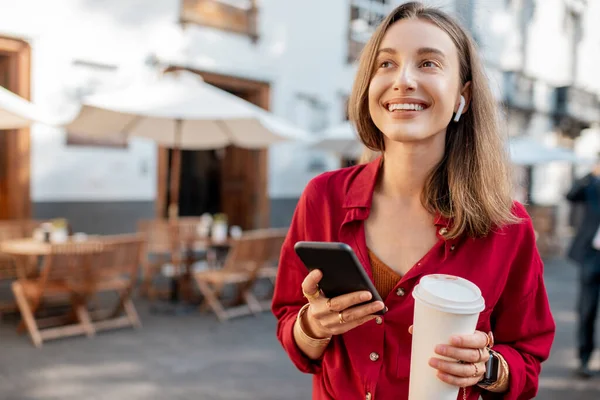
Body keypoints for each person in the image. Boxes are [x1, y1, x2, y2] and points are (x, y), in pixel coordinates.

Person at [272, 2, 555, 399]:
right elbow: (290, 327)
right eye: (386, 64)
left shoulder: (508, 226)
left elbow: (527, 357)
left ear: (463, 96)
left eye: (428, 64)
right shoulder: (323, 198)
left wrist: (487, 367)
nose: (403, 80)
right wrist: (312, 326)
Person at [566, 159, 600, 378]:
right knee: (587, 311)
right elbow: (571, 194)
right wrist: (590, 173)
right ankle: (584, 359)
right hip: (592, 256)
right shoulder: (592, 185)